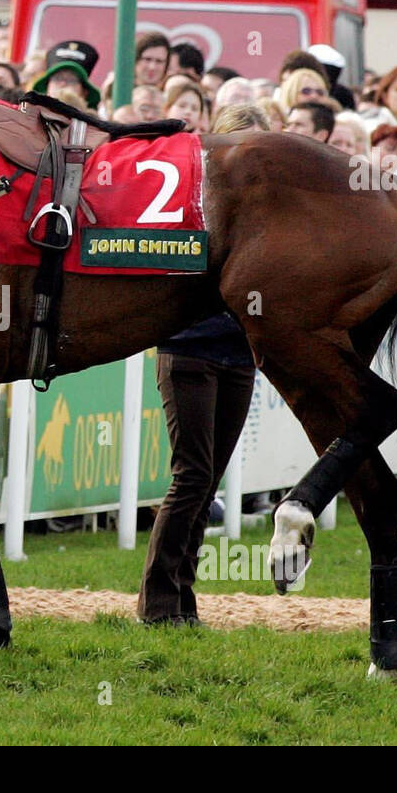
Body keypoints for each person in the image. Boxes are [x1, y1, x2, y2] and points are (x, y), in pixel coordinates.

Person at [137, 103, 263, 626]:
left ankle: (180, 602)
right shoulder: (195, 201)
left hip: (237, 355)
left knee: (204, 481)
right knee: (192, 476)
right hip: (188, 350)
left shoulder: (267, 214)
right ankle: (159, 602)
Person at [29, 40, 102, 109]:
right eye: (57, 78)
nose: (63, 83)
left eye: (72, 80)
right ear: (47, 87)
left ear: (84, 92)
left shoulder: (94, 122)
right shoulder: (29, 119)